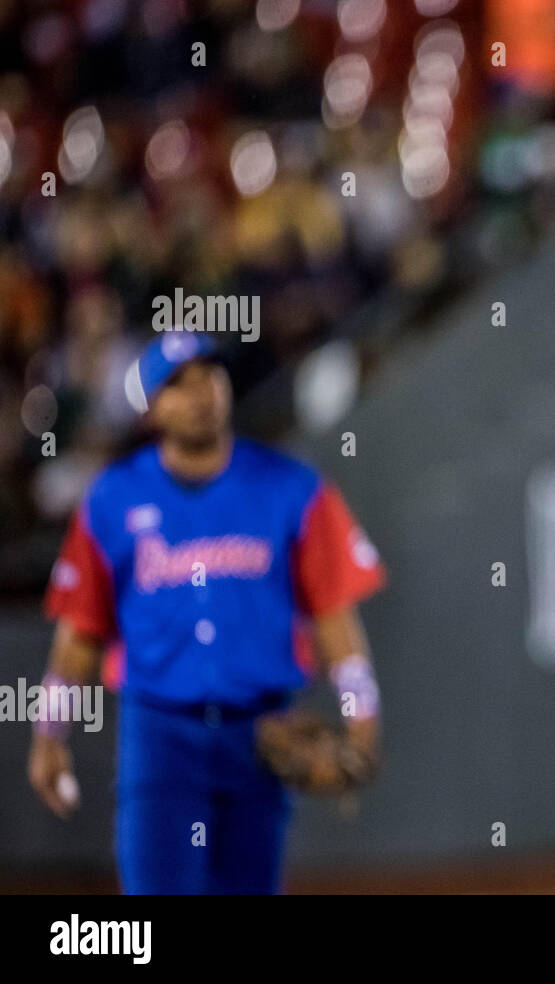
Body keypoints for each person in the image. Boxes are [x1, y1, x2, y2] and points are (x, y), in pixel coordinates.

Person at [28, 330, 386, 894]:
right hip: (160, 734)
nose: (199, 394)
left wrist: (362, 722)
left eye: (208, 377)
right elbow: (80, 634)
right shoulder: (111, 500)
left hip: (259, 732)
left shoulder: (290, 488)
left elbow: (335, 621)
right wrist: (49, 733)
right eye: (177, 385)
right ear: (150, 407)